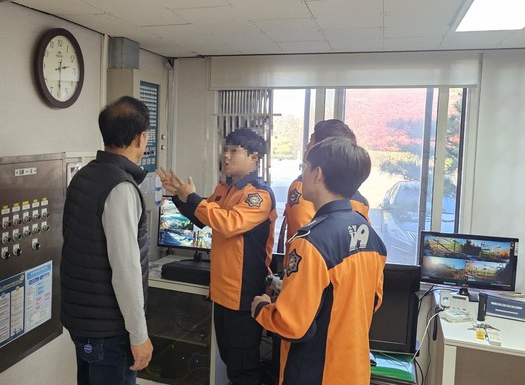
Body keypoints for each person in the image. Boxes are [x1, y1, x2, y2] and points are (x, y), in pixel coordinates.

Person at [251, 136, 387, 385]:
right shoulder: (371, 236)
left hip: (317, 372)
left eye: (306, 167)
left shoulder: (311, 242)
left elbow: (293, 324)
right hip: (354, 371)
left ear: (318, 174)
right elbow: (374, 301)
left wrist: (262, 308)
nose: (302, 175)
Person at [158, 127, 276, 385]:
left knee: (243, 369)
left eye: (234, 151)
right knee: (229, 360)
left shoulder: (258, 195)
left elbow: (229, 223)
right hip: (222, 291)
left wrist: (192, 197)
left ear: (254, 157)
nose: (226, 156)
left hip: (243, 295)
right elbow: (204, 217)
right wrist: (179, 197)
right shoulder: (225, 188)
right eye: (226, 150)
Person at [60, 96, 153, 385]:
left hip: (84, 318)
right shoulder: (120, 188)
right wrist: (139, 335)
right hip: (109, 328)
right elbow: (125, 270)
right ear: (140, 138)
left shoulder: (85, 175)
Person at [280, 119, 370, 251]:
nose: (307, 145)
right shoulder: (360, 200)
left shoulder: (304, 189)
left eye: (311, 140)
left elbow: (305, 241)